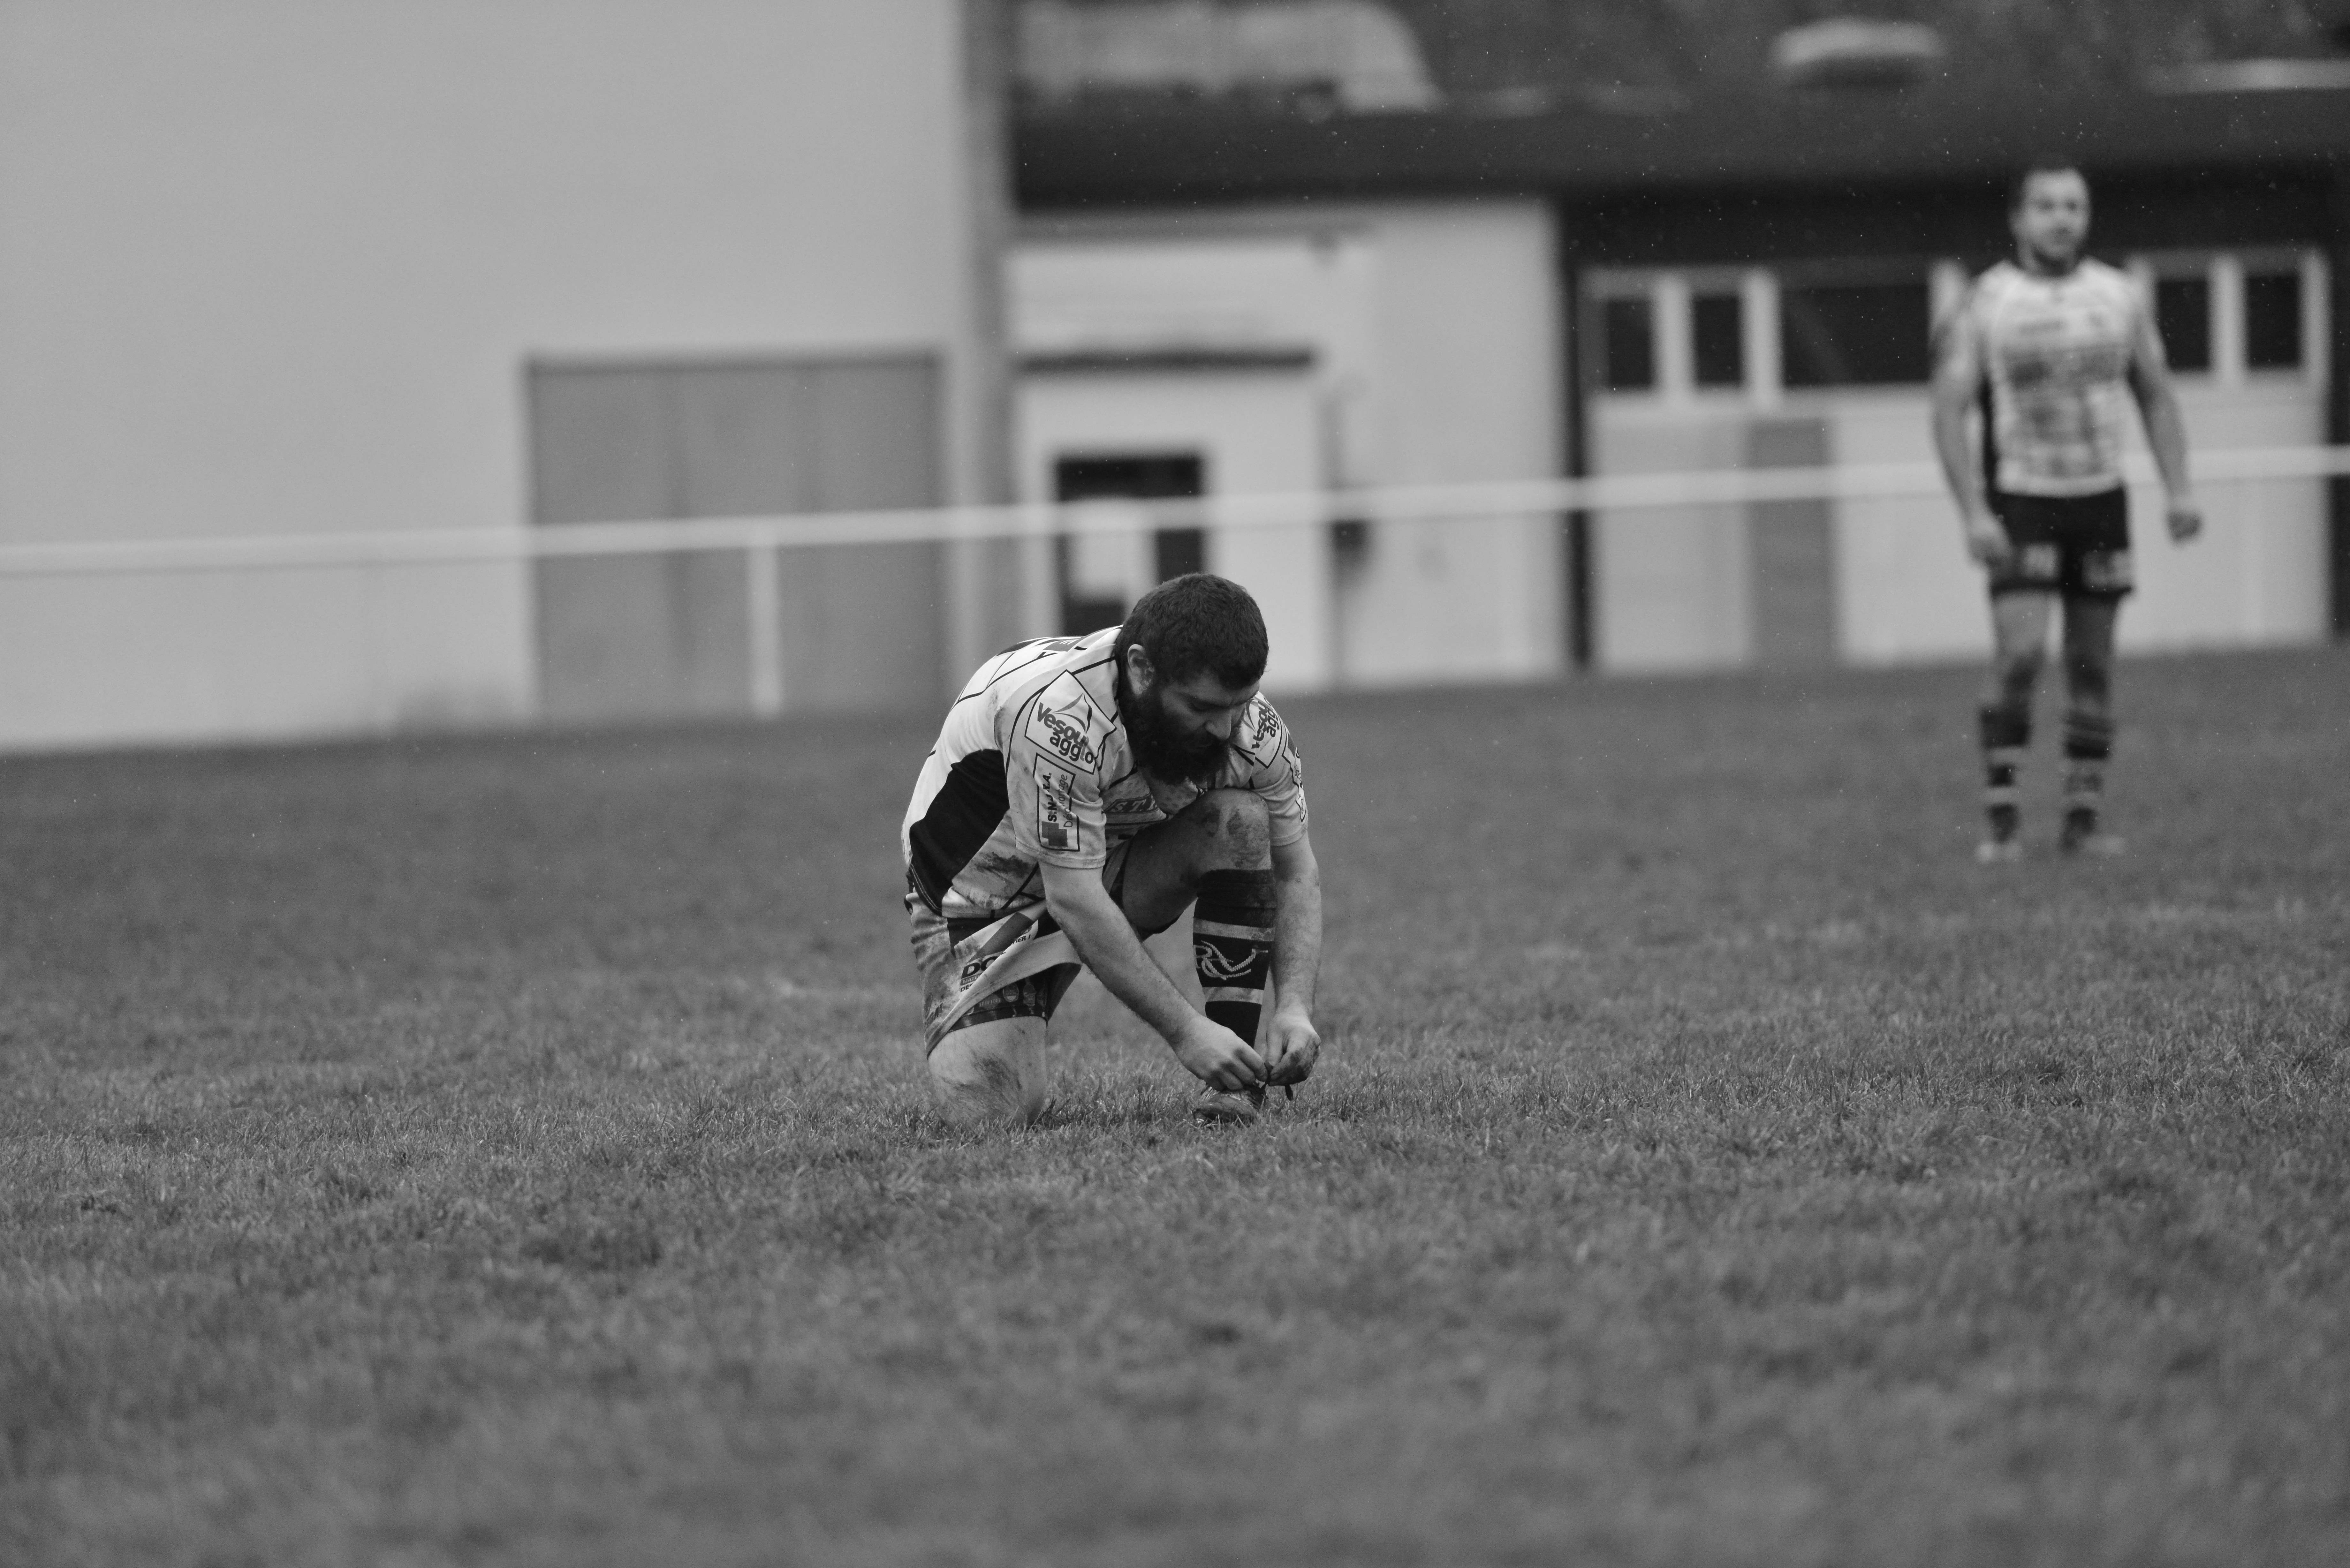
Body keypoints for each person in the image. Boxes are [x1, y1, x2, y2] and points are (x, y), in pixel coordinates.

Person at [900, 573, 1323, 1127]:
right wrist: (1186, 1031)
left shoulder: (1254, 730)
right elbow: (1072, 899)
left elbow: (1295, 871)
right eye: (1201, 706)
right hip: (979, 908)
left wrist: (1294, 1005)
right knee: (989, 1116)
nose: (1225, 729)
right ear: (1142, 669)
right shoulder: (1058, 716)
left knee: (1239, 821)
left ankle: (1236, 1089)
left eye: (1238, 704)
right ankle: (1010, 1001)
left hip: (1095, 874)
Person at [1931, 160, 2202, 862]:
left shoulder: (2118, 296)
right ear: (2018, 219)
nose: (2062, 219)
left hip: (2100, 499)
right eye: (2047, 206)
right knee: (2021, 654)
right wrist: (1973, 512)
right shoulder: (1985, 303)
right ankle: (2001, 816)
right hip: (2021, 498)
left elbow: (2156, 394)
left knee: (2091, 663)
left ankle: (2082, 822)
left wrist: (2178, 489)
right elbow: (1947, 410)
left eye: (2074, 206)